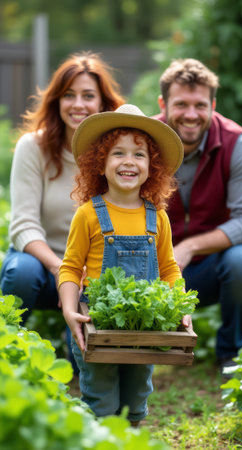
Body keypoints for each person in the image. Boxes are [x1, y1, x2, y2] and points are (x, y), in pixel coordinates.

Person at [58, 103, 192, 425]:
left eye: (139, 154)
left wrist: (180, 306)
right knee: (101, 400)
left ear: (152, 167)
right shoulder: (89, 214)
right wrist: (68, 309)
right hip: (98, 322)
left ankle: (131, 433)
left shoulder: (156, 217)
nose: (129, 161)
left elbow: (170, 268)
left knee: (136, 398)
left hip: (142, 325)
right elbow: (71, 268)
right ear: (100, 164)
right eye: (118, 153)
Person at [0, 51, 125, 371]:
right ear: (56, 101)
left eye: (88, 95)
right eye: (69, 95)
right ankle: (10, 351)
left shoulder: (116, 154)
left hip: (94, 268)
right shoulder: (34, 147)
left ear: (102, 103)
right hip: (43, 265)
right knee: (20, 273)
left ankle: (90, 355)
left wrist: (85, 274)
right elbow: (23, 225)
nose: (78, 104)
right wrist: (59, 268)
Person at [153, 58, 242, 375]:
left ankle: (230, 354)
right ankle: (133, 347)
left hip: (208, 268)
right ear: (163, 103)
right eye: (181, 104)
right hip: (153, 268)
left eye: (200, 105)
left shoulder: (234, 143)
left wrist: (189, 248)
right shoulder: (144, 140)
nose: (191, 115)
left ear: (212, 104)